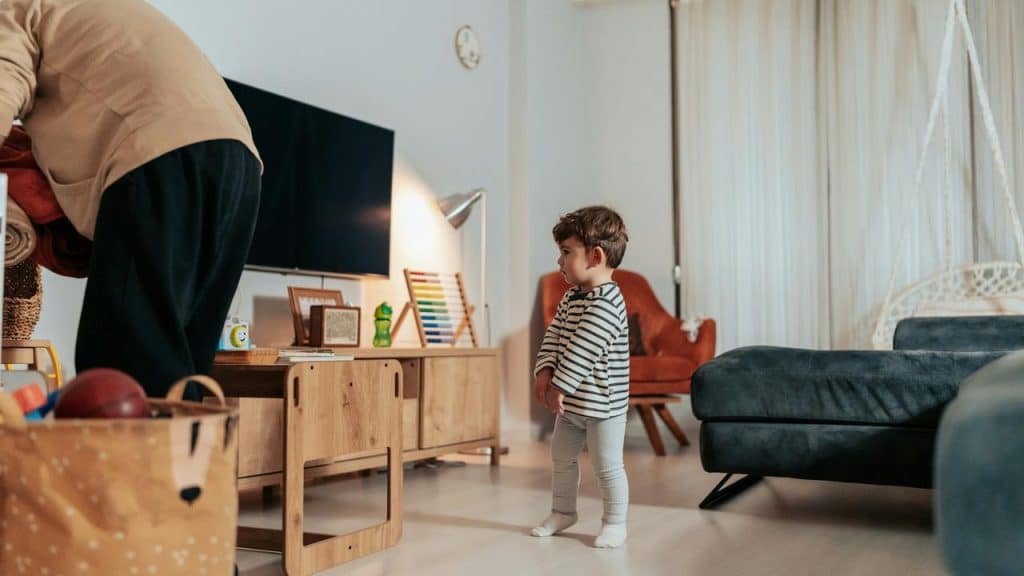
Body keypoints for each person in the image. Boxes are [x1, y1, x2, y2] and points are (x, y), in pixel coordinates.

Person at [0, 0, 261, 398]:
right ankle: (183, 459)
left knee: (120, 369)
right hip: (239, 162)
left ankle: (129, 461)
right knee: (180, 371)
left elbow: (4, 86)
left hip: (159, 149)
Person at [532, 205, 631, 549]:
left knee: (607, 466)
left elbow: (583, 349)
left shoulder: (608, 302)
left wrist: (560, 384)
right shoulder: (571, 297)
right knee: (561, 457)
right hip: (571, 405)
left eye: (565, 252)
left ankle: (615, 522)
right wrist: (544, 371)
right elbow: (554, 337)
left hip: (603, 405)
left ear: (596, 256)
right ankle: (563, 511)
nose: (559, 261)